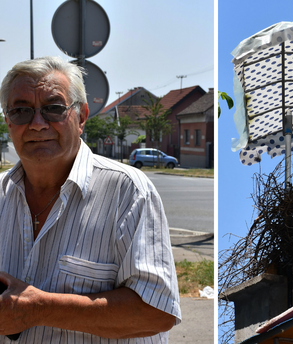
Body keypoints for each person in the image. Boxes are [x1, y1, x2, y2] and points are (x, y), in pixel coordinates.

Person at [0, 56, 181, 343]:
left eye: (53, 109)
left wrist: (39, 309)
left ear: (81, 116)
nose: (37, 124)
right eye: (21, 111)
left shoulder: (128, 191)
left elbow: (157, 312)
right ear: (8, 120)